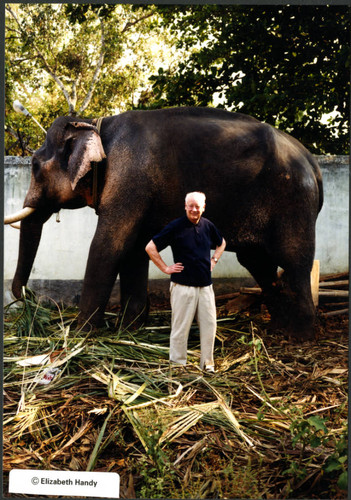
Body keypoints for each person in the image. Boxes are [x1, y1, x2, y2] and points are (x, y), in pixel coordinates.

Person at [145, 192, 226, 372]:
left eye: (197, 206)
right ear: (185, 206)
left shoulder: (208, 226)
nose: (194, 209)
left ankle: (208, 365)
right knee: (180, 329)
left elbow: (222, 243)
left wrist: (214, 260)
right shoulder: (176, 226)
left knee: (210, 326)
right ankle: (178, 367)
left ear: (203, 207)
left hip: (205, 287)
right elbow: (150, 247)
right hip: (183, 287)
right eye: (190, 205)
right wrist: (165, 268)